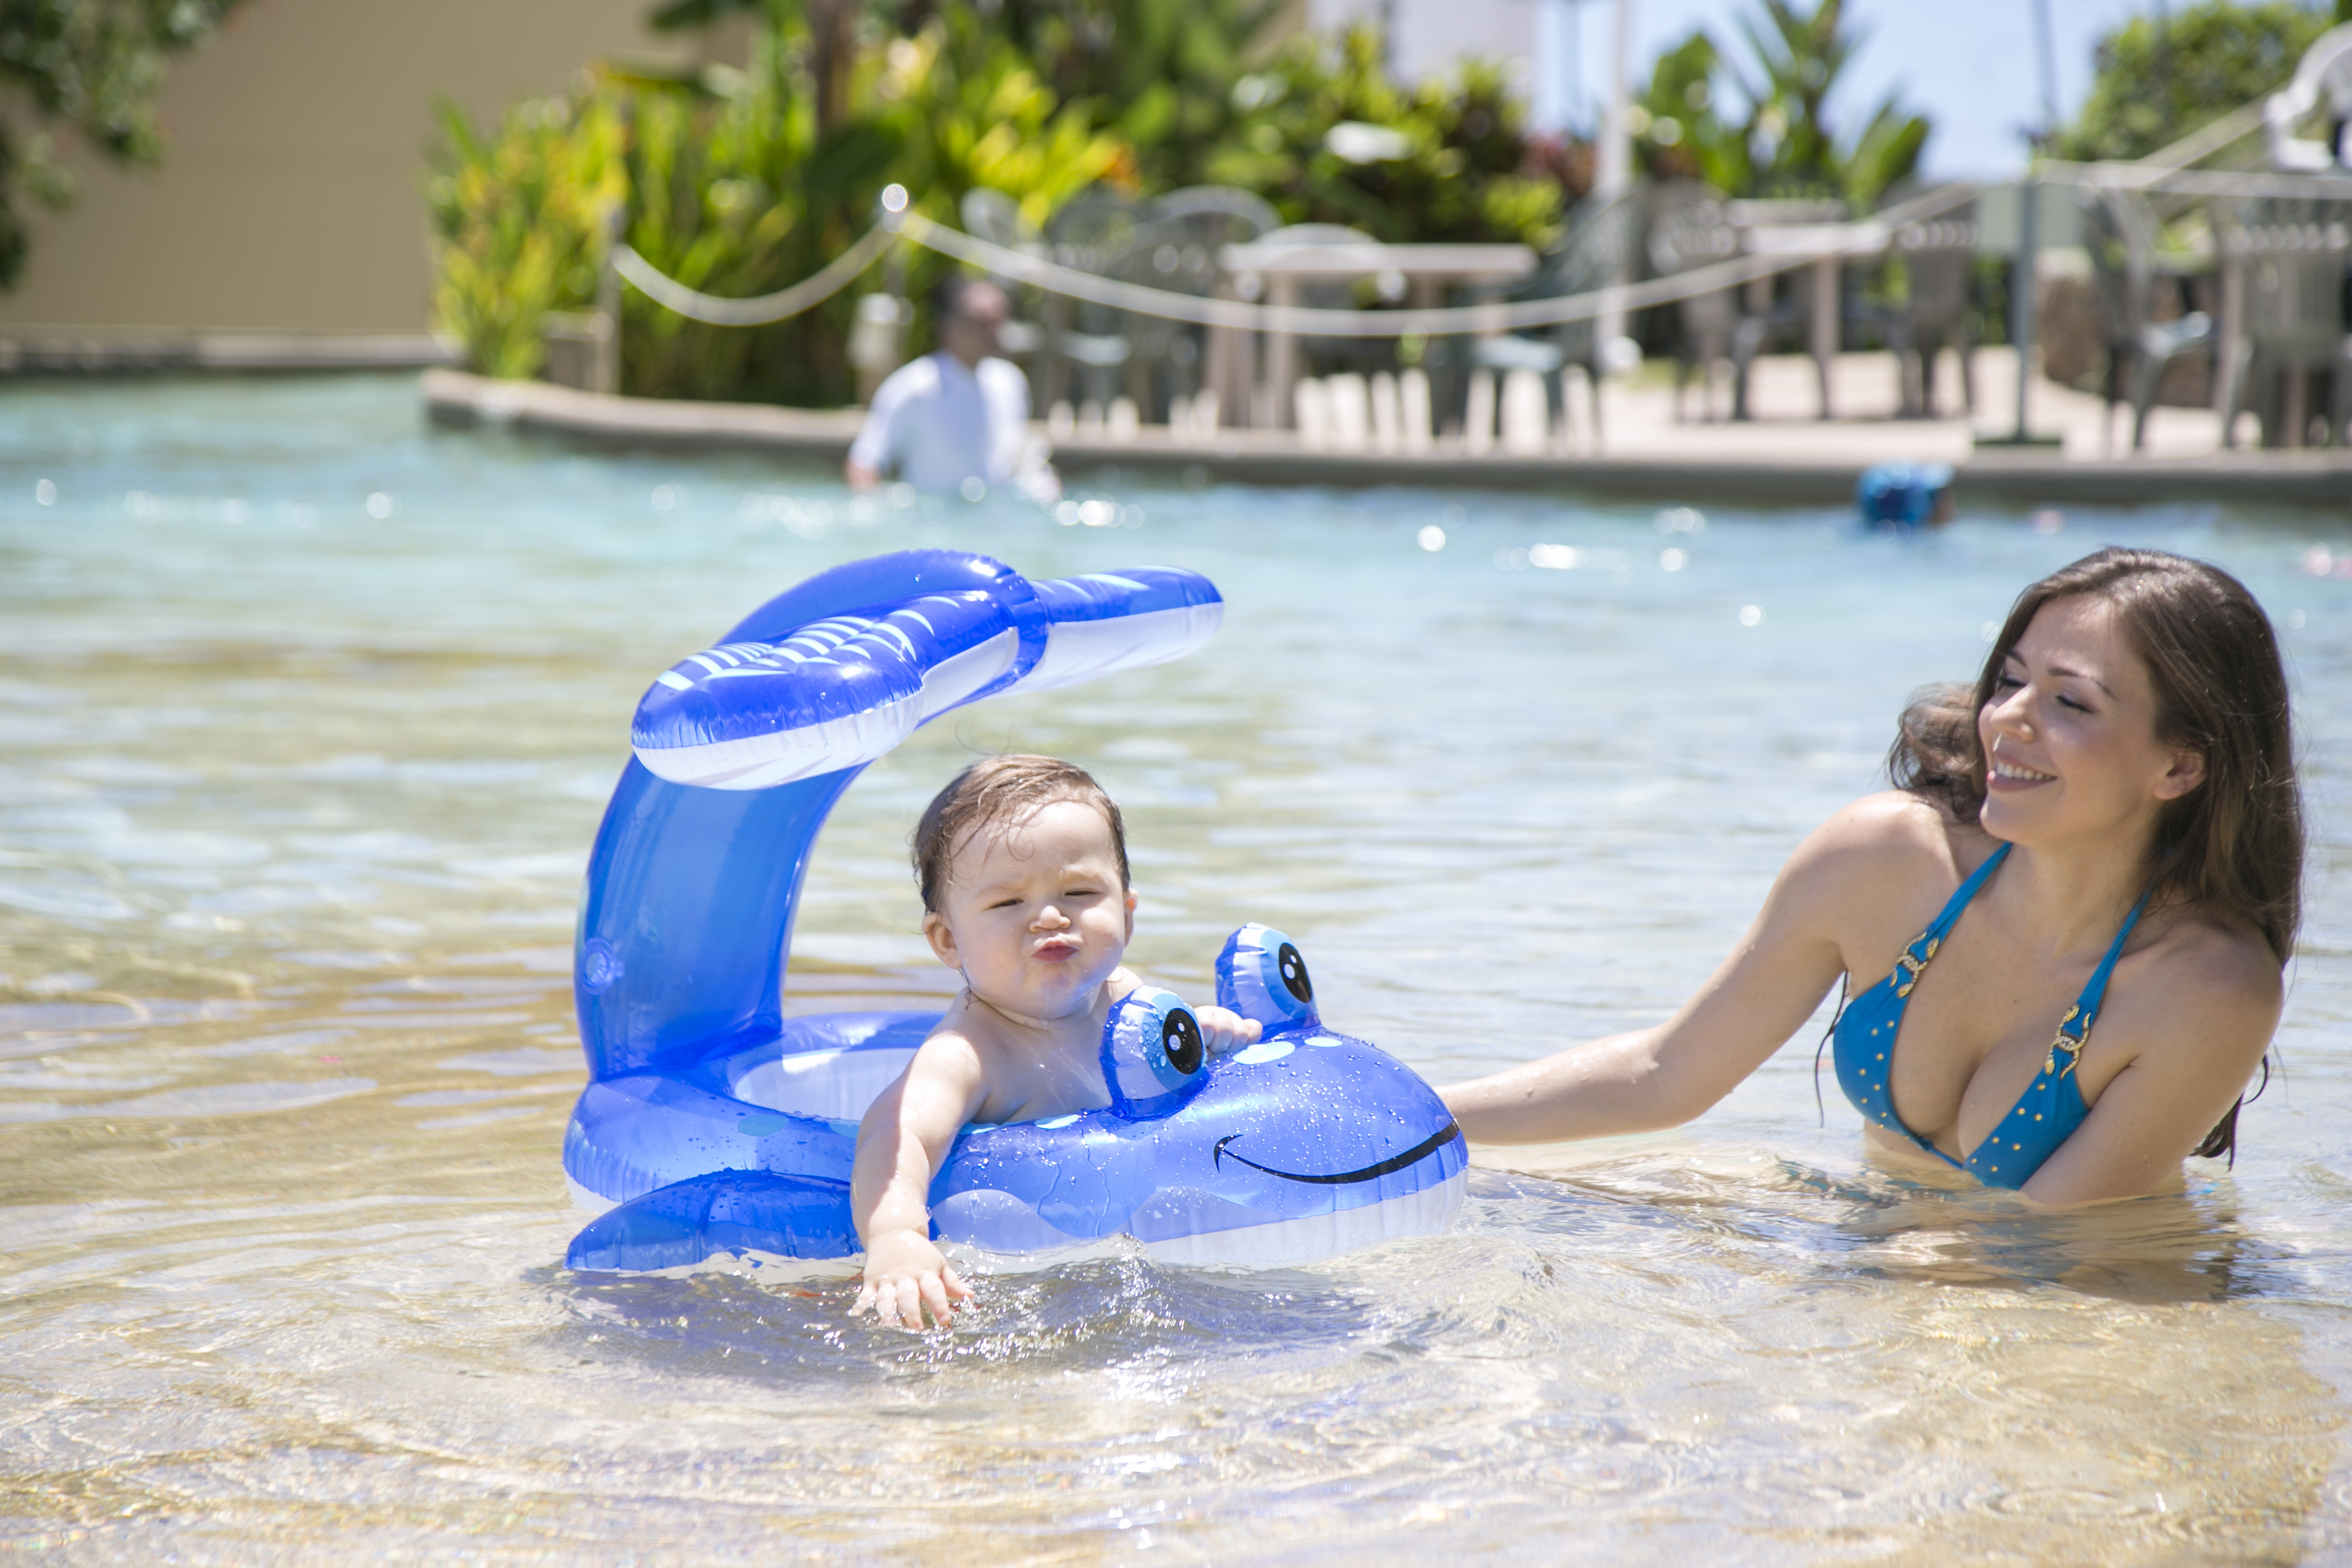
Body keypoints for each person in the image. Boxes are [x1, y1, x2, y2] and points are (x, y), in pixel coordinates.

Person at [1441, 548, 2301, 1207]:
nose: (2008, 721)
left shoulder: (2207, 986)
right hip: (1898, 1264)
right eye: (2009, 681)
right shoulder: (1886, 862)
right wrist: (1403, 1120)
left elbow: (2042, 1245)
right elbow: (1666, 1073)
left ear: (2181, 768)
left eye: (2069, 703)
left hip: (2084, 1328)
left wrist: (1779, 1250)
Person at [850, 755, 1259, 1329]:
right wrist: (896, 1236)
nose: (1048, 917)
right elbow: (896, 1135)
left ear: (1127, 911)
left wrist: (1202, 1033)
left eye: (1078, 891)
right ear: (947, 940)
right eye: (1007, 903)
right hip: (1016, 1281)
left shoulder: (1124, 997)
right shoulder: (970, 1053)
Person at [844, 276, 1057, 501]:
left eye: (1000, 320)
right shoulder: (914, 387)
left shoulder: (1011, 382)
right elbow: (864, 465)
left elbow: (1015, 461)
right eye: (982, 321)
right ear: (948, 326)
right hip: (932, 530)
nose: (993, 331)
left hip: (994, 530)